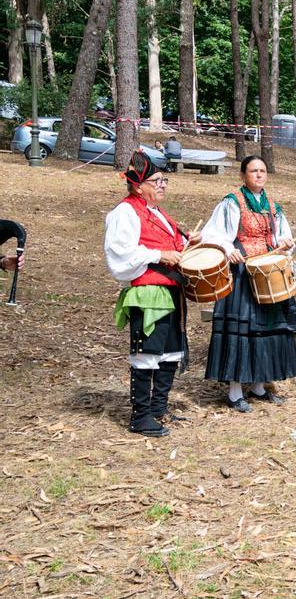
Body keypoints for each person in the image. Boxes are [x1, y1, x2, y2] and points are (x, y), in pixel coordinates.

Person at [104, 151, 198, 437]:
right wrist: (161, 254)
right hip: (148, 293)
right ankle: (140, 416)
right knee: (147, 354)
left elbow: (172, 244)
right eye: (156, 180)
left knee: (169, 353)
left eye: (164, 180)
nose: (163, 185)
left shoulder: (157, 212)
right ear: (137, 185)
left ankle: (158, 408)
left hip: (171, 291)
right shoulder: (125, 212)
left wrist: (188, 243)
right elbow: (121, 253)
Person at [200, 156, 296, 412]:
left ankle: (258, 386)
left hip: (268, 273)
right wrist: (227, 247)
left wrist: (287, 243)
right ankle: (235, 392)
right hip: (242, 273)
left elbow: (283, 235)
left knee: (265, 330)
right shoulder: (232, 202)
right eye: (254, 171)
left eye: (263, 171)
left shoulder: (272, 205)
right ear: (243, 175)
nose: (259, 175)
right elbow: (212, 233)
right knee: (242, 330)